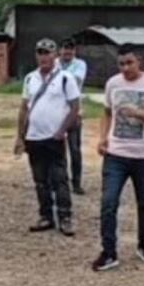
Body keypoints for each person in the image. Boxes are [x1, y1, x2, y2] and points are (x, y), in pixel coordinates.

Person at [91, 44, 144, 272]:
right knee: (108, 202)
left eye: (129, 63)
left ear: (139, 61)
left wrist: (137, 113)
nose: (125, 68)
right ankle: (109, 251)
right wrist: (103, 138)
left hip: (143, 154)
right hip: (116, 154)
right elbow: (106, 113)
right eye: (121, 63)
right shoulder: (113, 84)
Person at [14, 38, 81, 237]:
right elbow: (24, 108)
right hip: (34, 138)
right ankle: (45, 216)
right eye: (40, 53)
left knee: (60, 179)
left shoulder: (65, 78)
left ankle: (65, 217)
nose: (44, 57)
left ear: (55, 56)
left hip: (54, 137)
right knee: (40, 180)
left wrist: (62, 131)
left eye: (48, 53)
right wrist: (20, 136)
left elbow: (75, 107)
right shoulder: (29, 78)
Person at [58, 39, 89, 195]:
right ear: (60, 50)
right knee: (58, 149)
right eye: (65, 50)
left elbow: (74, 81)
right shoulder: (55, 63)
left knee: (75, 149)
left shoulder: (80, 64)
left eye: (70, 51)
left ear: (74, 52)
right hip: (56, 112)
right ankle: (61, 180)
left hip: (74, 111)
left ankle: (76, 183)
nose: (67, 53)